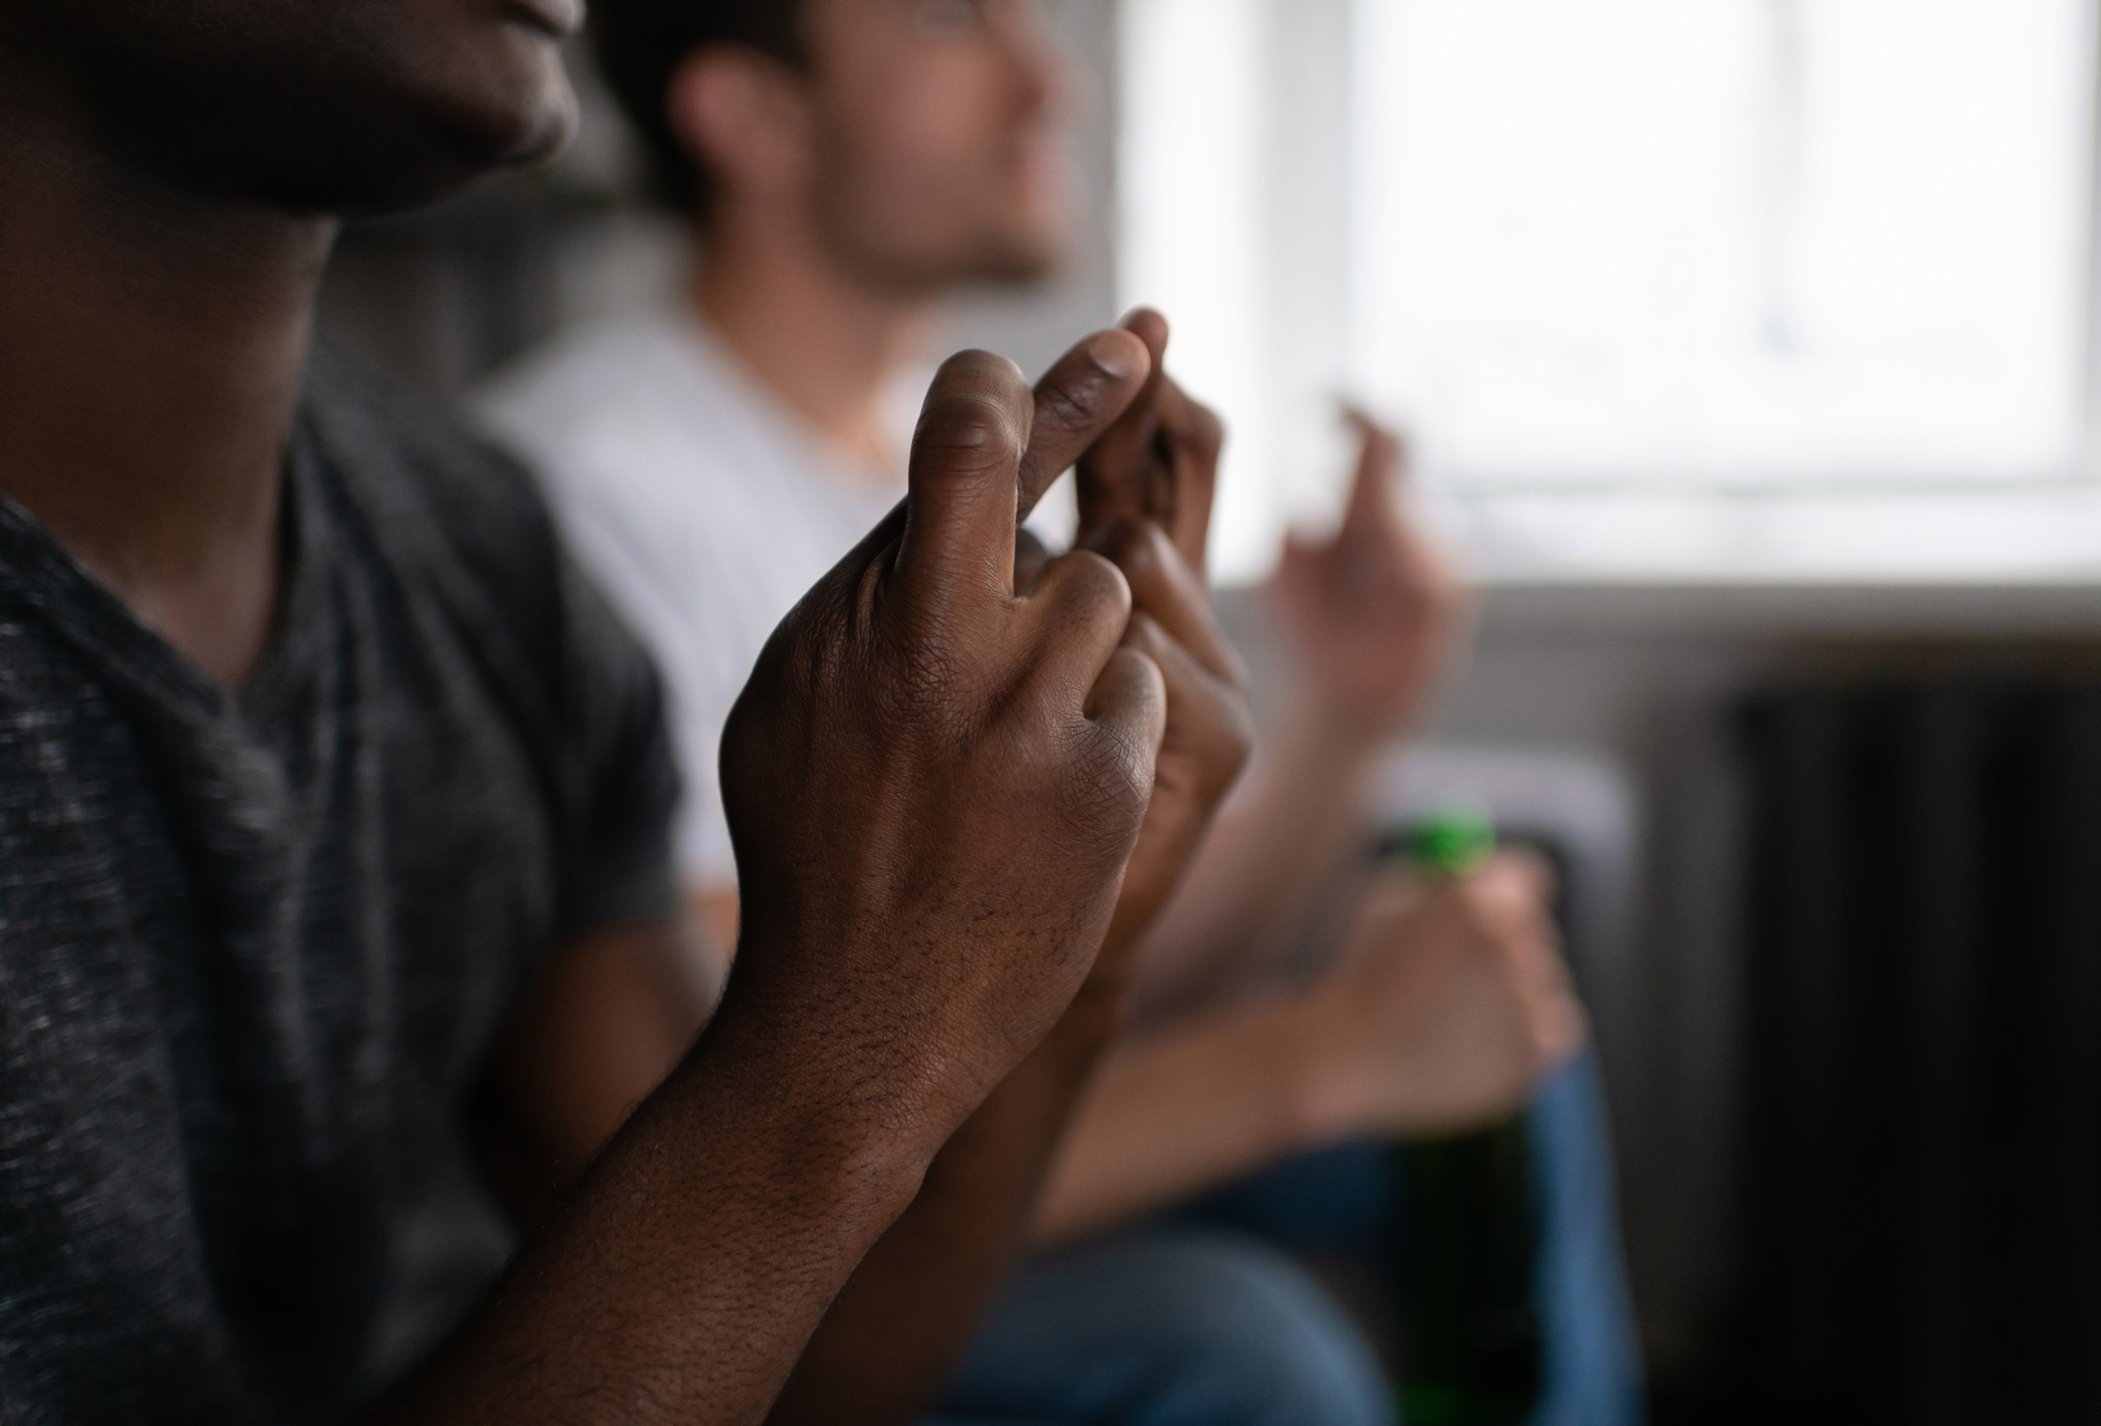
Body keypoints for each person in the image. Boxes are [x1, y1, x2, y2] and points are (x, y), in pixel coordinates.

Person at [0, 1, 1260, 1423]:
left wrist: (1064, 950)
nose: (1050, 86)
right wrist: (860, 1026)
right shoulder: (586, 481)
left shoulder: (481, 555)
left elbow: (803, 1366)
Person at [479, 1, 1644, 1422]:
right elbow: (782, 1104)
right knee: (1236, 1342)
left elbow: (1091, 972)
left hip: (938, 1171)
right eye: (945, 22)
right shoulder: (598, 488)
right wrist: (1316, 1056)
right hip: (764, 1272)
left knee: (1499, 1046)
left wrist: (1346, 711)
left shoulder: (929, 460)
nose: (1048, 81)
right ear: (753, 117)